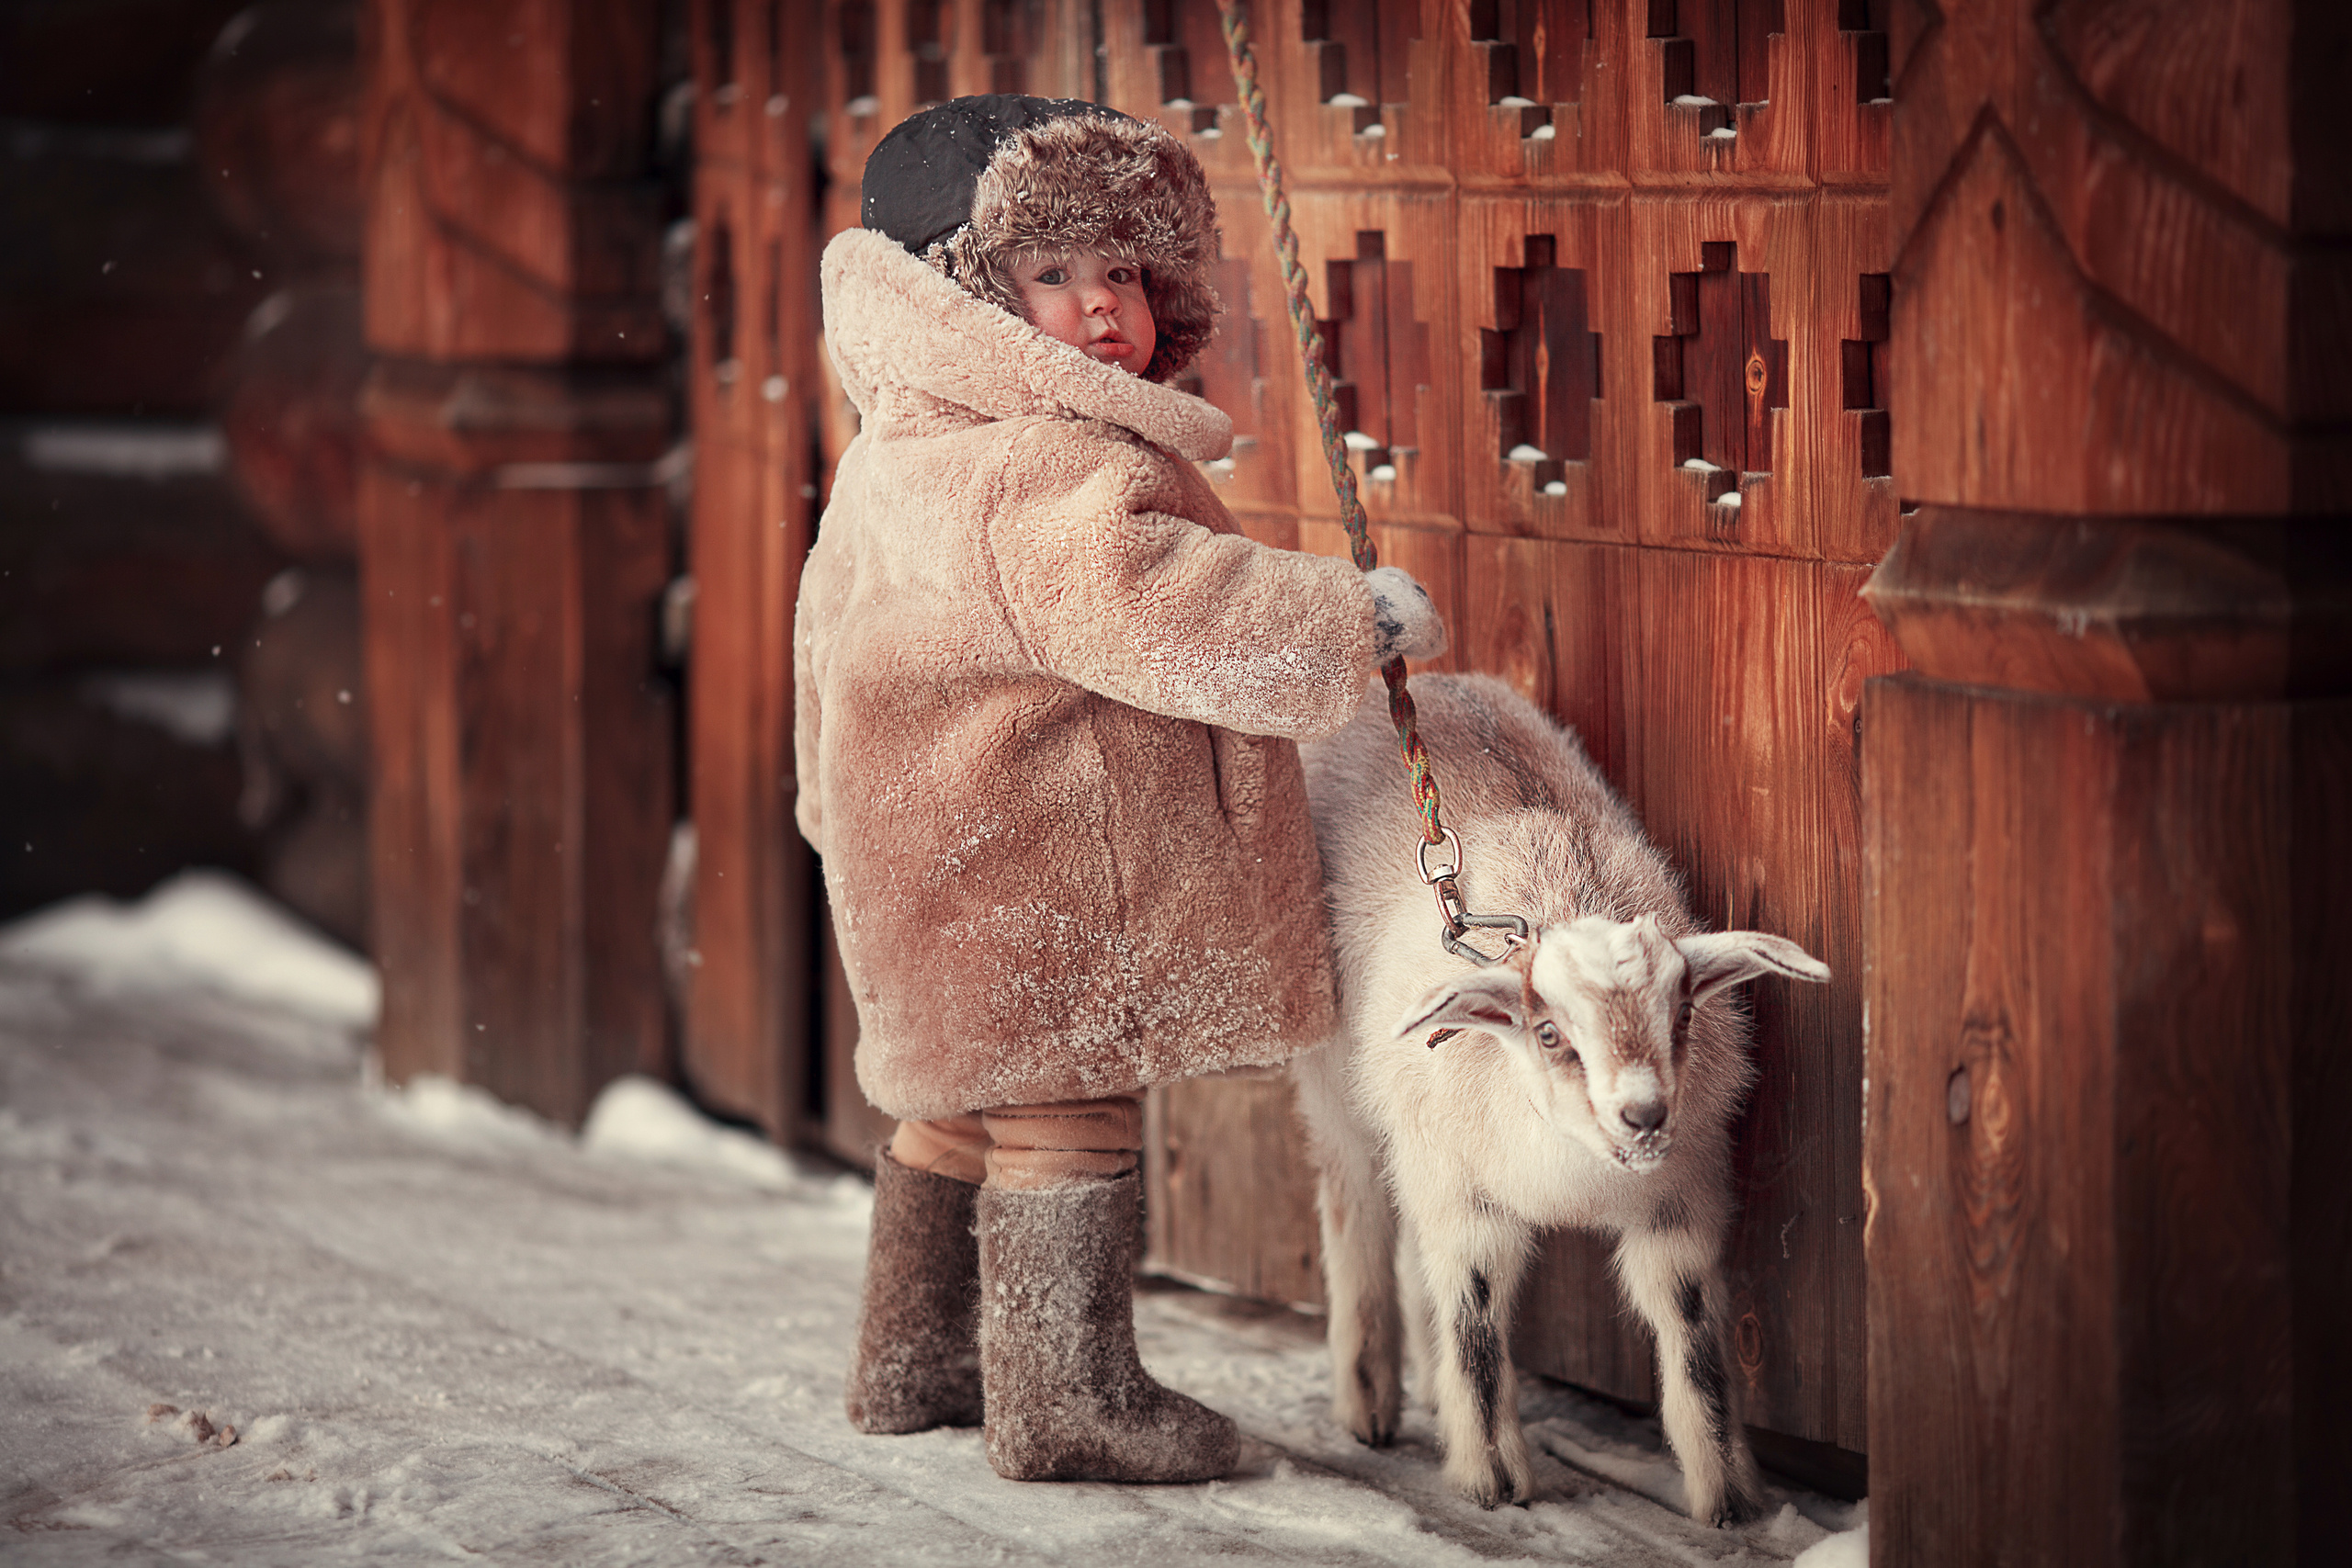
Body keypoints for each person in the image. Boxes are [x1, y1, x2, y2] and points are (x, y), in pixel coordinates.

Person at [795, 95, 1445, 1485]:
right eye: (1051, 275)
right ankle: (1064, 1397)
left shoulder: (894, 452)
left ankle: (915, 1358)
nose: (1104, 311)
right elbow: (1166, 607)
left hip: (927, 850)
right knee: (1067, 1111)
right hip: (1045, 863)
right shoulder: (1043, 467)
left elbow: (820, 646)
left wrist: (824, 812)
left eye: (1126, 274)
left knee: (958, 1101)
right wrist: (1349, 621)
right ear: (962, 296)